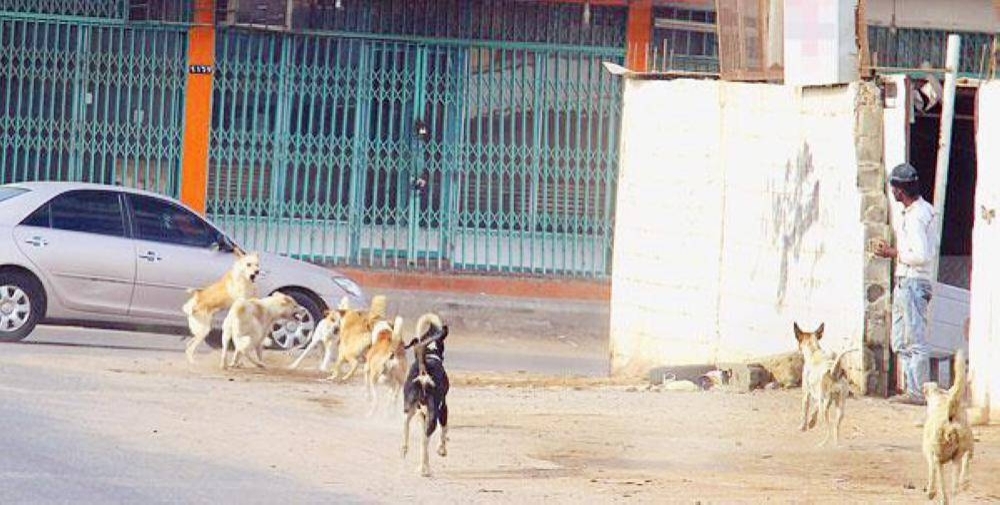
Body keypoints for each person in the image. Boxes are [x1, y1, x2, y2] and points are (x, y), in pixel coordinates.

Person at [875, 162, 939, 406]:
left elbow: (922, 255)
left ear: (899, 190)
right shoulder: (917, 213)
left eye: (894, 188)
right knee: (900, 340)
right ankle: (913, 388)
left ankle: (918, 393)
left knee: (915, 340)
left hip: (914, 280)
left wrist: (893, 253)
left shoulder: (918, 216)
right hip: (906, 281)